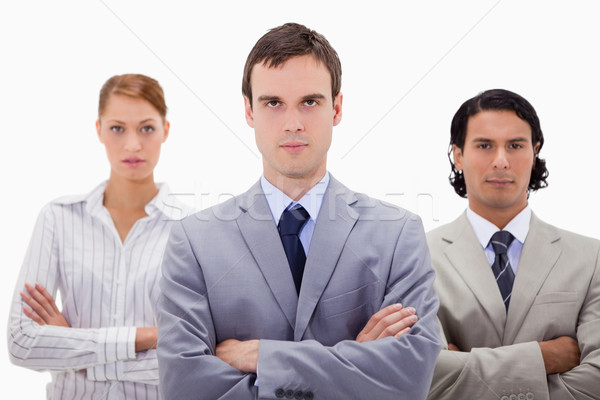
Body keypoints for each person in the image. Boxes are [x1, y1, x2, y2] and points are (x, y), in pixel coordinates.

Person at [157, 23, 441, 400]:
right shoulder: (193, 241)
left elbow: (409, 380)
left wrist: (263, 357)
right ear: (249, 110)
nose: (293, 123)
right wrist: (356, 362)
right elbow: (185, 387)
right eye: (273, 103)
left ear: (336, 108)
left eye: (310, 101)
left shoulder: (398, 234)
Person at [8, 73, 191, 399]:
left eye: (146, 128)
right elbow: (21, 344)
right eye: (118, 128)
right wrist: (147, 337)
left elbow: (191, 359)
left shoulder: (190, 230)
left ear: (165, 130)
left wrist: (74, 347)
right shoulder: (58, 218)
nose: (132, 144)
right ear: (99, 131)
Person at [426, 89, 600, 400]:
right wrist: (545, 357)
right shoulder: (419, 257)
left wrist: (463, 365)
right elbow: (425, 376)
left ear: (534, 152)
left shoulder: (591, 258)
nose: (502, 161)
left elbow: (596, 381)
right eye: (484, 145)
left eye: (515, 145)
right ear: (458, 155)